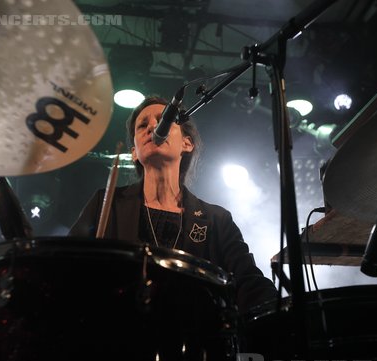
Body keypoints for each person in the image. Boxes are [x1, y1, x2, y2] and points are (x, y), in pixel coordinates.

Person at [68, 96, 277, 313]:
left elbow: (249, 284)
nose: (152, 127)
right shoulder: (106, 204)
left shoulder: (217, 220)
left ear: (187, 143)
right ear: (134, 154)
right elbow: (66, 270)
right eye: (142, 125)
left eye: (163, 119)